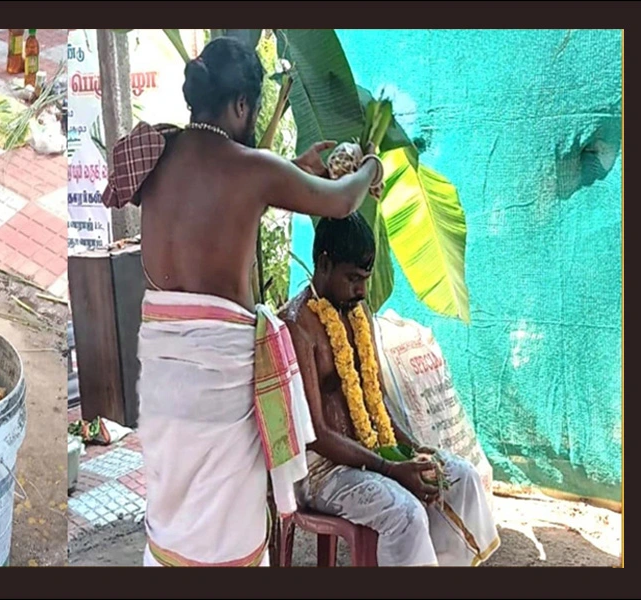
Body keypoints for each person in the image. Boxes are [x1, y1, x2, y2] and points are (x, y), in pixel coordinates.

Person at [99, 37, 383, 567]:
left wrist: (294, 167)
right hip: (220, 388)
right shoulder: (251, 168)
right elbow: (342, 201)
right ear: (241, 105)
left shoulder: (160, 151)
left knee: (172, 513)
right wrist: (370, 167)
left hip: (164, 377)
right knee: (226, 536)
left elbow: (221, 201)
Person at [279, 213, 500, 567]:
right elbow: (315, 434)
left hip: (373, 453)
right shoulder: (296, 326)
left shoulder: (358, 313)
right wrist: (389, 468)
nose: (362, 291)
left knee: (459, 476)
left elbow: (376, 400)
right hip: (321, 472)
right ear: (324, 263)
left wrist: (413, 451)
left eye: (365, 280)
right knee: (406, 511)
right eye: (353, 279)